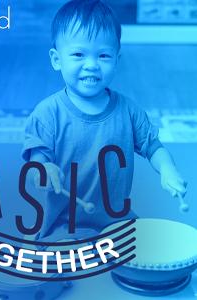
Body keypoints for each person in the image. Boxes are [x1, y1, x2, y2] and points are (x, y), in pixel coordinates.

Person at [22, 0, 187, 239]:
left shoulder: (129, 111)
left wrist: (168, 169)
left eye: (103, 55)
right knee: (62, 265)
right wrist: (43, 169)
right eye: (78, 54)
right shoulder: (47, 114)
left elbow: (154, 148)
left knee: (149, 250)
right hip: (63, 222)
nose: (91, 65)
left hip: (117, 219)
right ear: (57, 59)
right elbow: (35, 162)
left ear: (117, 60)